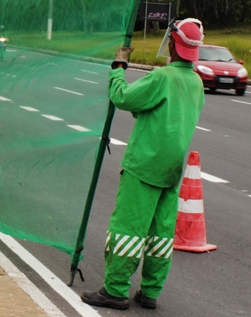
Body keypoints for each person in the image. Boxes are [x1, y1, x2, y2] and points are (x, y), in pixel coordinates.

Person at [80, 18, 206, 310]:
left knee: (128, 227)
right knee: (161, 234)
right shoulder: (195, 81)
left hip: (144, 164)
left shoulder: (163, 77)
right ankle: (150, 291)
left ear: (173, 44)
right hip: (173, 168)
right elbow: (166, 114)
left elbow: (122, 97)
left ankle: (115, 290)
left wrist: (118, 70)